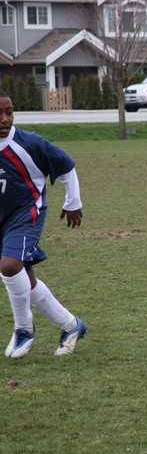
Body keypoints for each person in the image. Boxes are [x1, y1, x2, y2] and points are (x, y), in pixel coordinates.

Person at [0, 91, 87, 359]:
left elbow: (66, 165)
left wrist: (73, 202)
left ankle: (24, 329)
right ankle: (71, 325)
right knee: (25, 279)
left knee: (9, 266)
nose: (5, 119)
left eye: (9, 112)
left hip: (26, 215)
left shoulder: (29, 143)